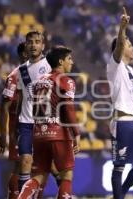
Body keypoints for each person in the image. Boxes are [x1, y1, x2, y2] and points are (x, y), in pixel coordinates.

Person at [18, 45, 80, 199]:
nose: (71, 62)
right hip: (58, 133)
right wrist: (76, 133)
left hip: (39, 134)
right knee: (66, 175)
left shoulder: (39, 81)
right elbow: (69, 109)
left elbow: (34, 109)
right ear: (61, 61)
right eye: (69, 59)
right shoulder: (66, 81)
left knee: (38, 175)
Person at [106, 7, 133, 199]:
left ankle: (120, 195)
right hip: (121, 122)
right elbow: (120, 44)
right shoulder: (114, 66)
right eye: (130, 45)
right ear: (122, 48)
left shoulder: (131, 72)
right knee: (119, 166)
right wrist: (122, 29)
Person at [0, 41, 28, 199]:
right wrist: (3, 135)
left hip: (33, 127)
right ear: (23, 54)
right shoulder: (14, 77)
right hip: (19, 129)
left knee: (33, 167)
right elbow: (4, 107)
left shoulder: (37, 74)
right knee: (19, 166)